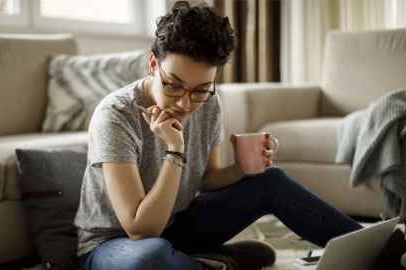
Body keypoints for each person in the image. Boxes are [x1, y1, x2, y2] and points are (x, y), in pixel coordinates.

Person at [74, 1, 362, 269]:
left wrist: (242, 168)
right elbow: (141, 229)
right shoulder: (116, 115)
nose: (185, 104)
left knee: (270, 180)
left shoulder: (210, 103)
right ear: (153, 65)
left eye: (201, 89)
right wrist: (175, 151)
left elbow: (207, 180)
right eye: (174, 85)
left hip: (179, 227)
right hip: (115, 244)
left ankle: (379, 247)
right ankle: (221, 263)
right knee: (150, 258)